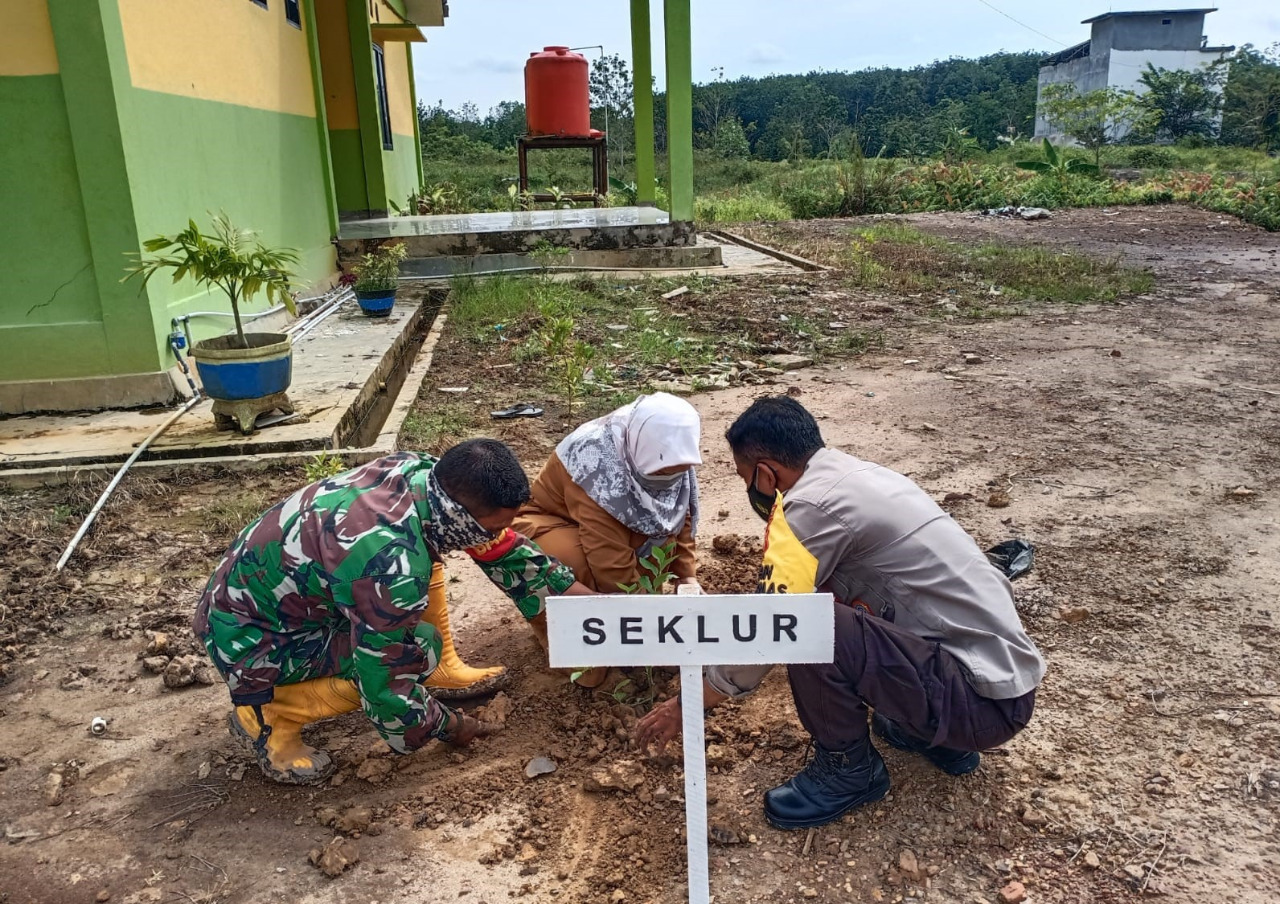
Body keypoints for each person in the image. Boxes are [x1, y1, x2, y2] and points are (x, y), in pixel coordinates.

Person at [636, 396, 1046, 830]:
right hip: (1000, 688)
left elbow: (771, 628)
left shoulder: (808, 510)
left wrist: (687, 704)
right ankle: (927, 733)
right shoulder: (858, 475)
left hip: (976, 706)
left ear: (767, 472)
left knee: (810, 623)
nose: (749, 490)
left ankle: (849, 770)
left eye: (745, 477)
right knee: (825, 597)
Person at [195, 440, 594, 785]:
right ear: (460, 516)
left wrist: (589, 603)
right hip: (253, 641)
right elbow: (385, 681)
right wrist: (447, 726)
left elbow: (502, 547)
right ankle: (265, 714)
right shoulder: (389, 565)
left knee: (415, 609)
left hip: (270, 603)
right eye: (490, 527)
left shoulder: (421, 476)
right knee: (415, 650)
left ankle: (435, 672)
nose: (496, 534)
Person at [514, 393, 703, 684]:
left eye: (674, 473)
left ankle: (625, 630)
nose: (667, 479)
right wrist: (654, 630)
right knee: (574, 562)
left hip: (609, 528)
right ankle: (557, 632)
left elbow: (679, 514)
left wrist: (686, 577)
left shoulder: (671, 451)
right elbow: (607, 559)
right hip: (549, 522)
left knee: (660, 547)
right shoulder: (594, 461)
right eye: (661, 472)